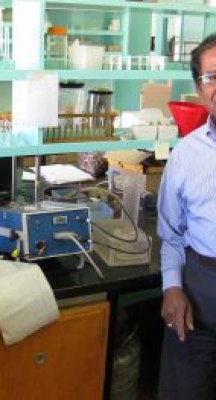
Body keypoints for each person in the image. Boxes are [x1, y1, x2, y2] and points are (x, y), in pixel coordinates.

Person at [157, 33, 216, 400]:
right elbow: (171, 234)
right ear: (199, 88)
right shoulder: (185, 155)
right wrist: (172, 287)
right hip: (200, 295)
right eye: (212, 77)